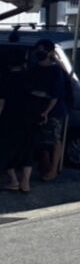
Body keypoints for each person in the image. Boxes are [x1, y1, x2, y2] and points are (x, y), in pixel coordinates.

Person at [28, 41, 69, 181]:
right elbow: (30, 89)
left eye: (42, 50)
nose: (39, 52)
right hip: (36, 109)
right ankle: (45, 166)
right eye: (38, 49)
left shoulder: (56, 70)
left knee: (55, 139)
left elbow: (55, 95)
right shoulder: (34, 69)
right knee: (40, 140)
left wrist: (46, 111)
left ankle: (54, 170)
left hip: (54, 111)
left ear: (50, 52)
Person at [1, 57, 31, 193]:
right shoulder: (29, 77)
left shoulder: (6, 79)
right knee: (26, 149)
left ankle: (13, 180)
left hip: (10, 118)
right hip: (28, 118)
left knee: (6, 149)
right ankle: (25, 182)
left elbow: (2, 102)